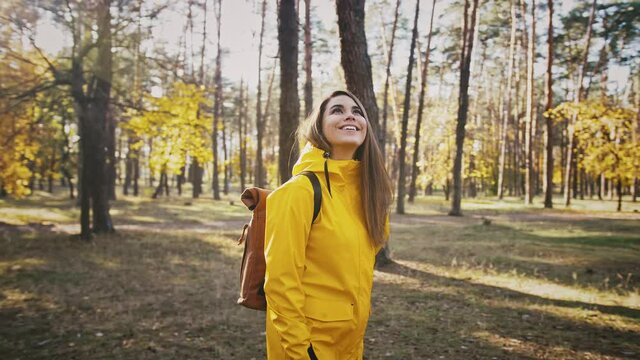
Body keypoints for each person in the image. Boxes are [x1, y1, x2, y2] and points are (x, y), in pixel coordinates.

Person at [264, 90, 393, 359]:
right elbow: (280, 286)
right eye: (337, 110)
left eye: (357, 111)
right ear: (318, 129)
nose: (350, 115)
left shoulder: (370, 196)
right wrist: (301, 353)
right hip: (306, 347)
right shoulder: (299, 192)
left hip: (350, 345)